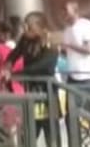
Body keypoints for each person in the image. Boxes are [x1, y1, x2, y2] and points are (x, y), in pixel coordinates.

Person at [6, 12, 60, 145]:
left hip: (47, 92)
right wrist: (8, 66)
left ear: (39, 27)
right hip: (31, 90)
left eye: (29, 27)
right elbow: (15, 54)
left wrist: (19, 74)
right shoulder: (25, 39)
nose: (25, 30)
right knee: (28, 133)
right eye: (24, 26)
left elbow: (44, 65)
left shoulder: (50, 41)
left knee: (51, 133)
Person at [61, 0, 90, 85]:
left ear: (75, 12)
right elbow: (67, 53)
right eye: (62, 10)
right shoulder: (67, 30)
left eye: (66, 10)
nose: (63, 13)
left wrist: (69, 46)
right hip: (72, 75)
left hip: (88, 76)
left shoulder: (85, 25)